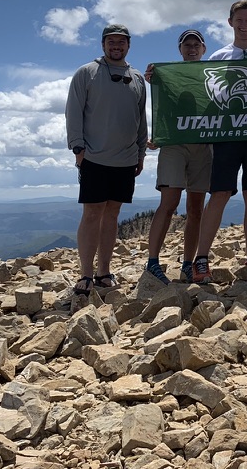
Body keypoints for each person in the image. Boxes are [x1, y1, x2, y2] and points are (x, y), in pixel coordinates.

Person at [190, 0, 247, 284]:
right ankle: (201, 258)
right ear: (230, 22)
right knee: (220, 193)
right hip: (227, 137)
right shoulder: (218, 57)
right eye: (238, 20)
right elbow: (202, 95)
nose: (243, 24)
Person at [65, 23, 147, 297]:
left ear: (128, 45)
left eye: (121, 42)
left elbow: (141, 119)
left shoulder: (136, 77)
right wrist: (78, 148)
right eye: (111, 42)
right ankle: (86, 274)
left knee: (112, 214)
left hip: (125, 159)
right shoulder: (87, 73)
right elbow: (73, 111)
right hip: (95, 156)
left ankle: (104, 272)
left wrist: (140, 152)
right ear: (103, 45)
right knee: (92, 214)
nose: (116, 46)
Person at [141, 29, 212, 284]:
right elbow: (162, 107)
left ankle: (188, 264)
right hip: (175, 145)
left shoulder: (211, 77)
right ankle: (152, 262)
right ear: (180, 50)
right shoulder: (168, 75)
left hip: (203, 146)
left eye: (196, 45)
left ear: (204, 49)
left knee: (195, 208)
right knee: (169, 202)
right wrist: (154, 81)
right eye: (187, 45)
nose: (192, 49)